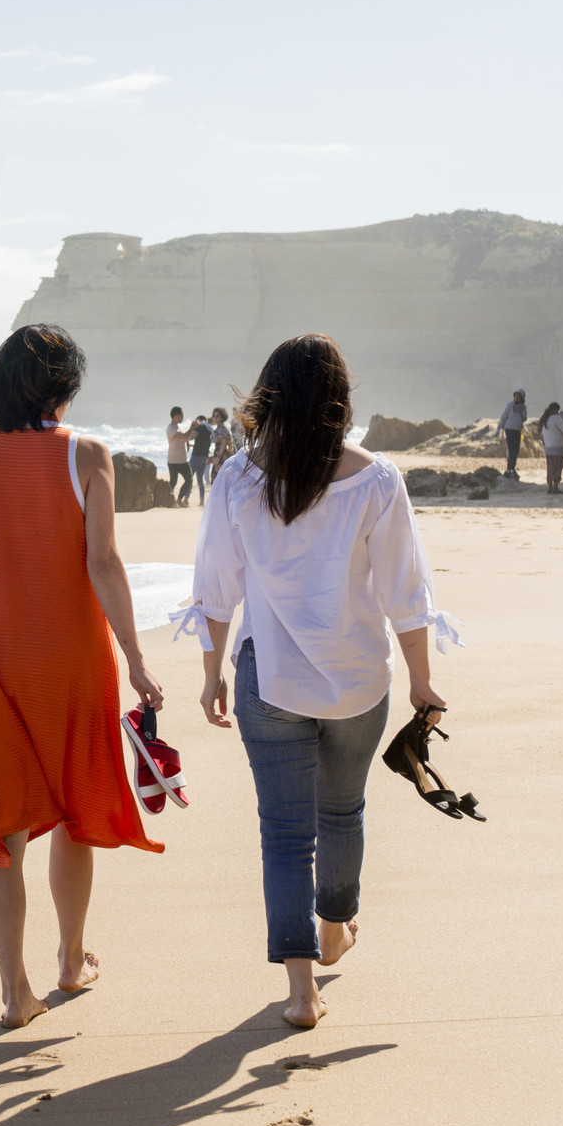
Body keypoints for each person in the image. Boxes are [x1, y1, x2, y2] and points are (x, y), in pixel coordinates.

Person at [176, 333, 456, 1030]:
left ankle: (301, 993)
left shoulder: (239, 479)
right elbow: (405, 591)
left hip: (268, 681)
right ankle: (335, 926)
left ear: (267, 397)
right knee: (341, 812)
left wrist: (210, 673)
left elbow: (215, 588)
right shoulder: (375, 479)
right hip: (357, 682)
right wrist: (421, 680)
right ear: (339, 399)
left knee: (283, 833)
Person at [0, 323, 165, 1029]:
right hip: (65, 657)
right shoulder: (87, 455)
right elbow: (102, 564)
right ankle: (70, 959)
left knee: (0, 830)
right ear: (62, 390)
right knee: (72, 809)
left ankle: (14, 993)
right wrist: (135, 655)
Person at [536, 401, 563, 494]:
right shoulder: (556, 418)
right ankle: (556, 487)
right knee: (558, 466)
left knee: (550, 467)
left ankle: (550, 486)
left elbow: (542, 435)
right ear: (556, 409)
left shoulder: (545, 419)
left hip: (548, 447)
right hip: (559, 446)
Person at [497, 389, 528, 477]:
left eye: (518, 397)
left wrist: (524, 409)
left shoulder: (522, 407)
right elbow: (504, 416)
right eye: (515, 396)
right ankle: (509, 469)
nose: (516, 398)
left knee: (516, 449)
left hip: (517, 430)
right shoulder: (510, 405)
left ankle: (512, 468)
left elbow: (524, 418)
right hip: (509, 429)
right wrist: (498, 428)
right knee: (511, 449)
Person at [166, 407, 192, 503]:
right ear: (176, 416)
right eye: (181, 415)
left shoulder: (179, 427)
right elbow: (183, 436)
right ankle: (167, 499)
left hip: (183, 460)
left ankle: (179, 499)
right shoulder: (170, 428)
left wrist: (188, 443)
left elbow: (185, 438)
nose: (183, 418)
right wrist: (192, 428)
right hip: (173, 460)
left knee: (189, 480)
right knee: (173, 482)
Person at [187, 412, 214, 504]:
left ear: (197, 420)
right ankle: (202, 500)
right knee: (200, 479)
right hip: (204, 457)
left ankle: (186, 498)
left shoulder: (199, 427)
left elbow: (190, 437)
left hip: (196, 456)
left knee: (189, 478)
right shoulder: (210, 428)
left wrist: (191, 428)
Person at [208, 406, 235, 478]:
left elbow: (223, 442)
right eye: (214, 416)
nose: (215, 418)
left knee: (218, 477)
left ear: (222, 417)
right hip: (219, 453)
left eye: (217, 416)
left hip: (222, 454)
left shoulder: (222, 427)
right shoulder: (219, 427)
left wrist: (218, 457)